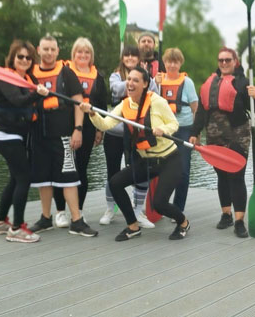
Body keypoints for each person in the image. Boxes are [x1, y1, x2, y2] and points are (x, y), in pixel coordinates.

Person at [81, 66, 191, 241]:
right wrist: (92, 113)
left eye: (135, 80)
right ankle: (133, 226)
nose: (130, 83)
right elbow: (105, 125)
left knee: (159, 204)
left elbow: (174, 124)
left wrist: (162, 129)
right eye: (129, 79)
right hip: (147, 160)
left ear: (145, 84)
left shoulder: (157, 101)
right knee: (115, 183)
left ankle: (183, 222)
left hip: (169, 159)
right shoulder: (124, 105)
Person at [28, 35, 98, 237]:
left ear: (58, 51)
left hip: (63, 133)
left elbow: (78, 102)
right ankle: (45, 217)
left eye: (53, 49)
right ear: (38, 50)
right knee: (43, 179)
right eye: (45, 49)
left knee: (69, 176)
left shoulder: (66, 72)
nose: (49, 53)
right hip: (39, 133)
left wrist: (78, 129)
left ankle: (76, 220)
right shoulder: (31, 74)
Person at [190, 47, 255, 238]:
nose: (223, 63)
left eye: (227, 60)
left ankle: (239, 221)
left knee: (236, 176)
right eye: (221, 60)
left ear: (235, 61)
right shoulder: (210, 82)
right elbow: (202, 112)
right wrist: (195, 132)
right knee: (221, 176)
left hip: (238, 135)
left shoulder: (243, 83)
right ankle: (226, 214)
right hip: (214, 137)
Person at [0, 40, 48, 243]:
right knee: (24, 178)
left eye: (28, 57)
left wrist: (37, 93)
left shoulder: (28, 78)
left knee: (15, 178)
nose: (24, 60)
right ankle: (16, 228)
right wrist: (36, 94)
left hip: (16, 135)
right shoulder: (6, 79)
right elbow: (18, 101)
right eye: (20, 56)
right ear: (12, 58)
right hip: (6, 136)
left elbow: (30, 101)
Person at [98, 45, 159, 227]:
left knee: (140, 172)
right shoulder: (115, 75)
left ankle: (138, 211)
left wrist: (143, 78)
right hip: (115, 133)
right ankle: (111, 208)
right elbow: (117, 90)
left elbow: (153, 93)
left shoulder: (147, 77)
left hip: (137, 133)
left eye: (134, 55)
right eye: (127, 55)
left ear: (139, 58)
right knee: (113, 172)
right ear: (122, 57)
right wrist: (135, 80)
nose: (130, 57)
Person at [53, 37, 107, 216]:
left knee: (82, 169)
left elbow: (101, 104)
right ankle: (61, 211)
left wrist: (100, 130)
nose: (83, 55)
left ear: (91, 56)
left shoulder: (98, 77)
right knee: (64, 167)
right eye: (79, 51)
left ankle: (79, 210)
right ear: (73, 54)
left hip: (89, 127)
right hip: (65, 125)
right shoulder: (64, 72)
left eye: (87, 52)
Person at [155, 48, 198, 213]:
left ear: (180, 63)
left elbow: (195, 108)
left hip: (183, 129)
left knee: (183, 171)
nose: (172, 65)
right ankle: (161, 205)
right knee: (162, 168)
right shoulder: (157, 82)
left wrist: (195, 132)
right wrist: (155, 84)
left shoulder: (187, 82)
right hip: (164, 131)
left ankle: (178, 208)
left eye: (175, 61)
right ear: (164, 63)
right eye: (169, 61)